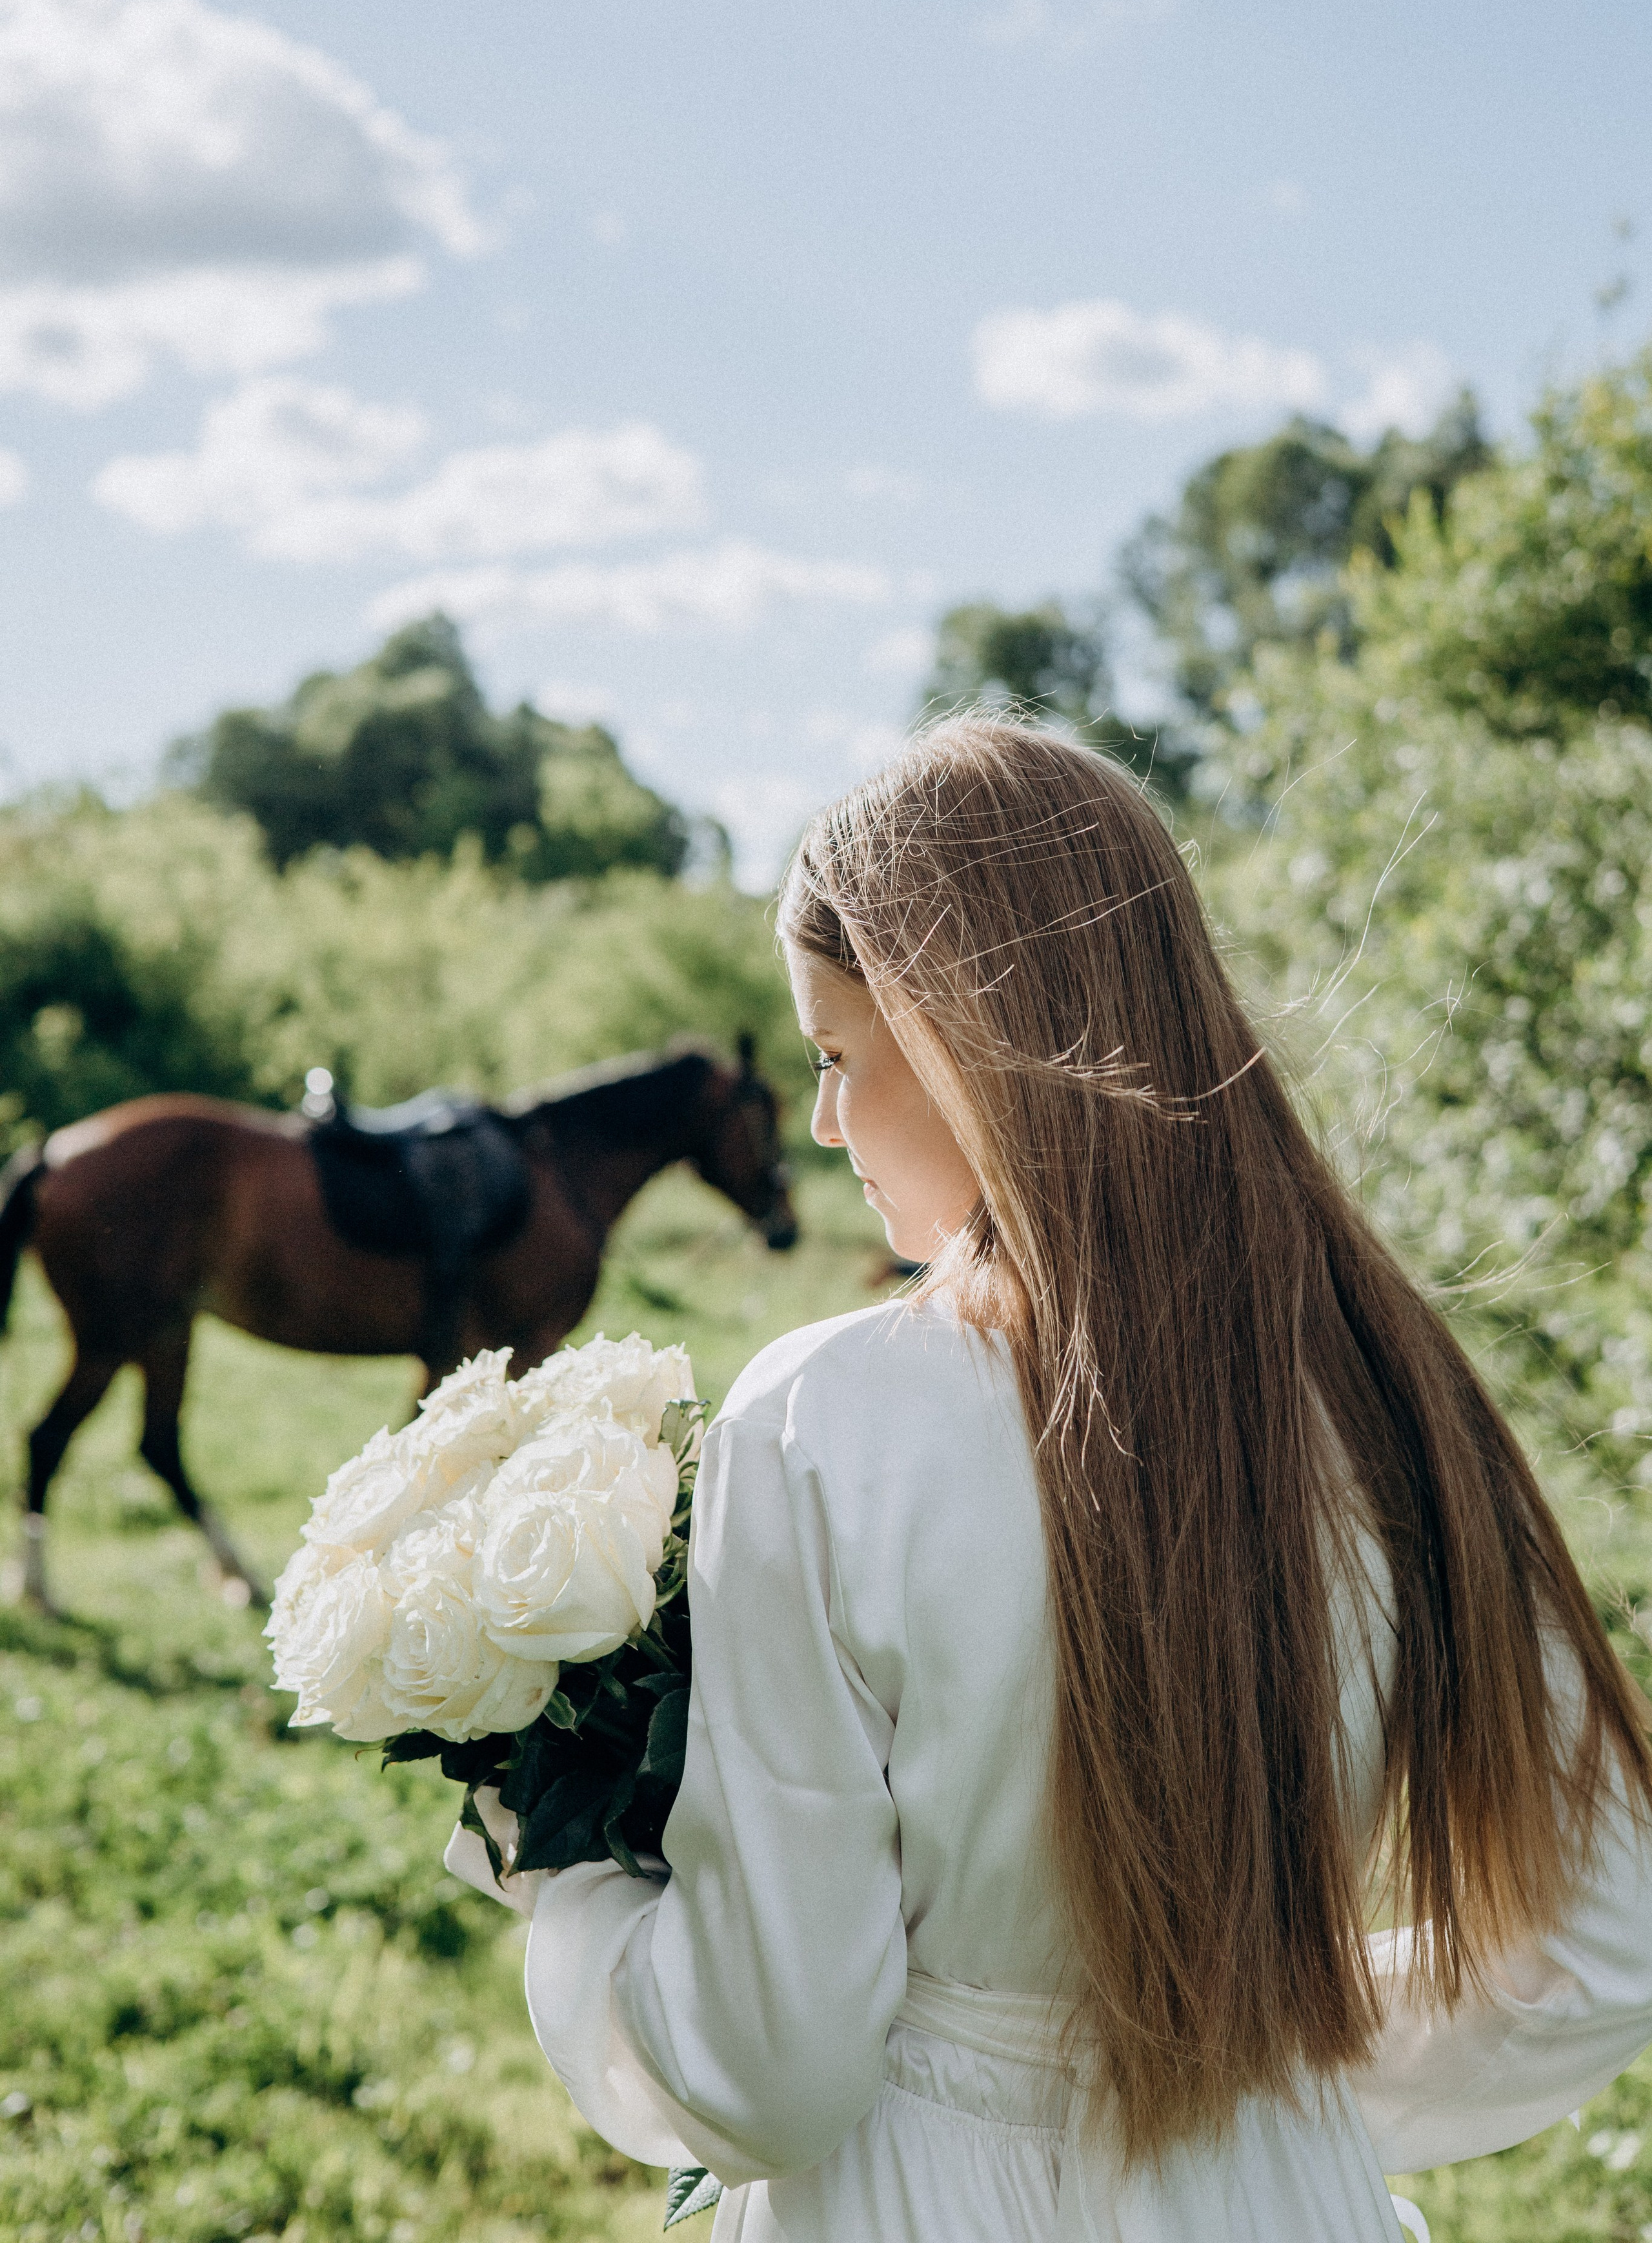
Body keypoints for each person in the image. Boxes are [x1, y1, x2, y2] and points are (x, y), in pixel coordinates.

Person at [447, 716, 1652, 2240]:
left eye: (834, 1056)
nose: (820, 1122)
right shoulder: (1389, 1387)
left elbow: (768, 2072)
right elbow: (1606, 1939)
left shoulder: (822, 1419)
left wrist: (556, 1877)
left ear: (959, 1034)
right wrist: (1274, 2062)